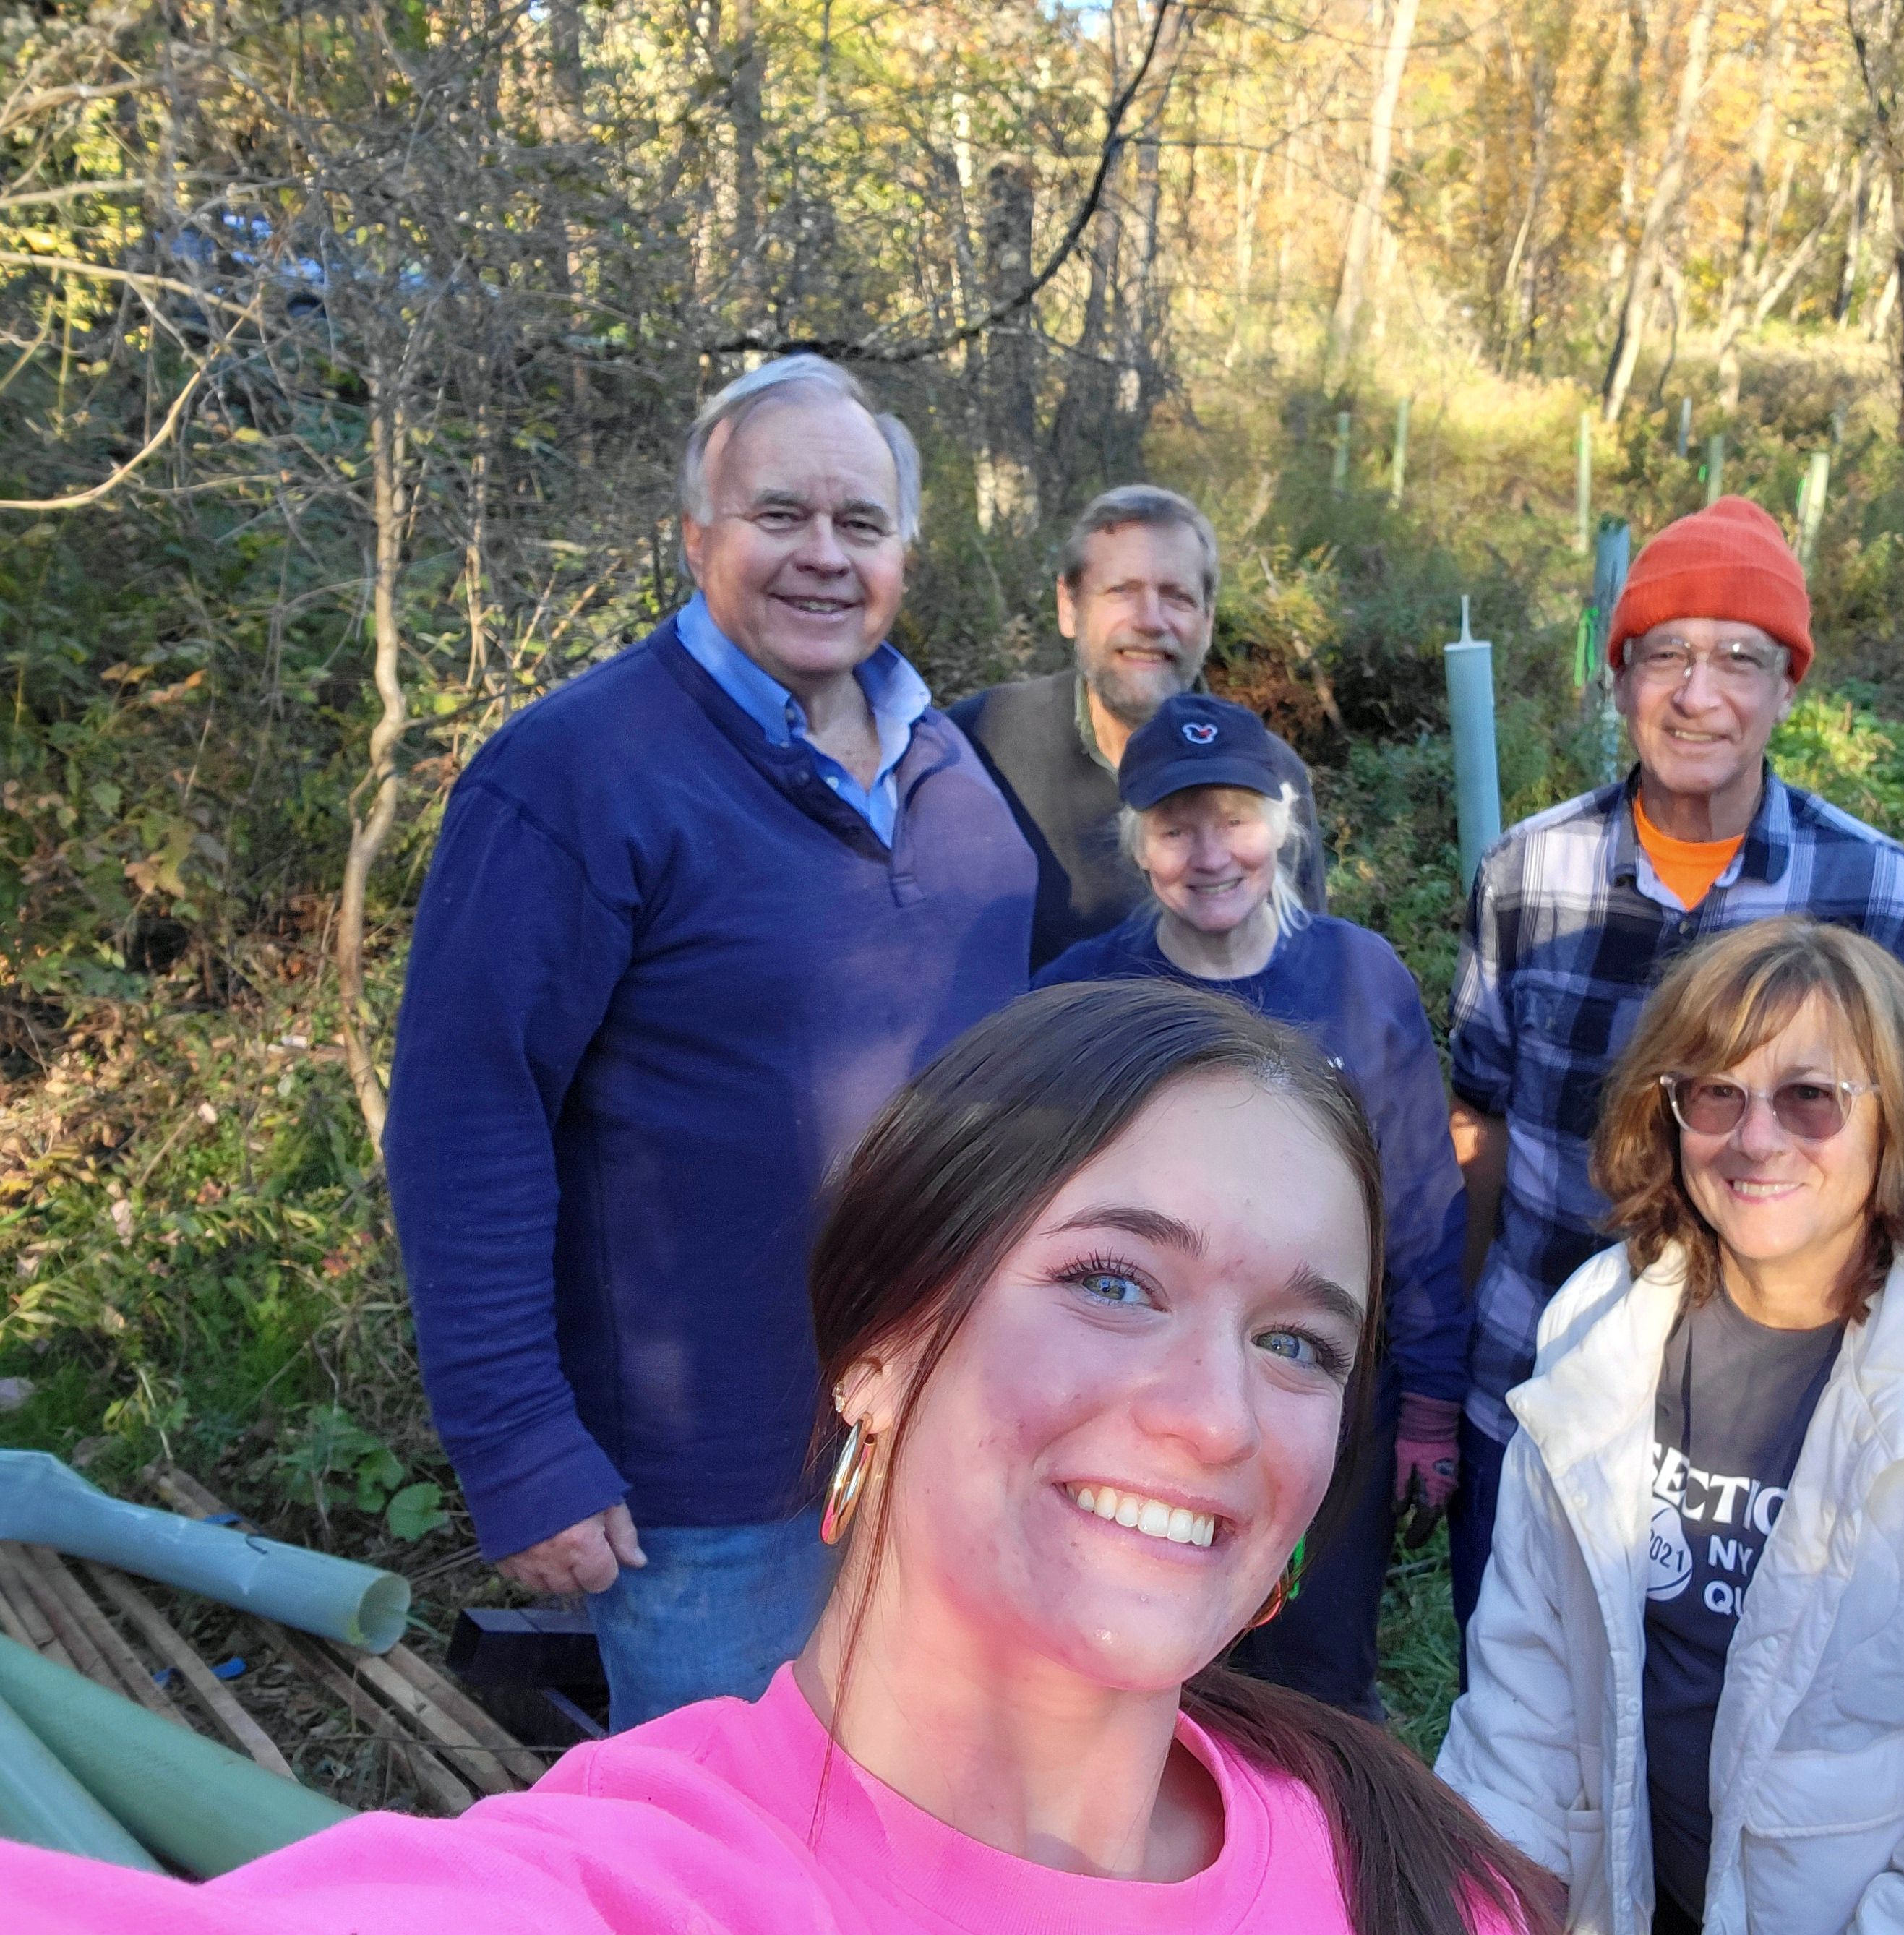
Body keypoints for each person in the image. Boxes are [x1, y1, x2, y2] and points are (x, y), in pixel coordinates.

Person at [4, 984, 1566, 1935]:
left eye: (1299, 1343)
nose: (1220, 1418)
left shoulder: (1425, 1888)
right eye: (1114, 1283)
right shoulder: (648, 1905)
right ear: (878, 1347)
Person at [382, 354, 1035, 1729]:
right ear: (694, 537)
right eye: (777, 515)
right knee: (727, 1870)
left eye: (859, 524)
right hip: (710, 1490)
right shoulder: (573, 776)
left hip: (939, 1435)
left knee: (909, 1809)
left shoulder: (952, 773)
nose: (821, 555)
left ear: (905, 552)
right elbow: (465, 1119)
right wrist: (520, 1446)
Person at [1435, 919, 1904, 1935]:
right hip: (1627, 1917)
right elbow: (1529, 1679)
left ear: (1898, 1117)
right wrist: (1490, 1928)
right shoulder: (1605, 1323)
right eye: (1715, 1094)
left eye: (1810, 1098)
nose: (1756, 1139)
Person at [1444, 497, 1904, 1636]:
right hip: (1542, 1374)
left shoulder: (1879, 895)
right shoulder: (1530, 874)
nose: (1698, 693)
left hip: (1776, 1420)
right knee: (1520, 1709)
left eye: (1741, 658)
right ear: (1618, 677)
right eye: (1665, 655)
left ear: (1790, 690)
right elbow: (1476, 1125)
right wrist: (1446, 1368)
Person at [1036, 692, 1467, 1716]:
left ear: (1282, 823)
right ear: (1138, 847)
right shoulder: (1081, 997)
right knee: (1146, 1667)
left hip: (1324, 1403)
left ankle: (1317, 1853)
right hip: (1135, 1403)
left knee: (1315, 1678)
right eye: (1177, 827)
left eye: (1232, 819)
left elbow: (1419, 1199)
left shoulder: (1360, 977)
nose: (1210, 852)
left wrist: (1434, 1405)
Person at [951, 484, 1329, 969]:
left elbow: (1306, 965)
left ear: (1208, 620)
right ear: (1069, 606)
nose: (1151, 621)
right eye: (1121, 592)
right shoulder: (978, 744)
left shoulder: (1270, 773)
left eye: (1177, 597)